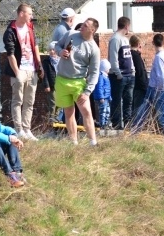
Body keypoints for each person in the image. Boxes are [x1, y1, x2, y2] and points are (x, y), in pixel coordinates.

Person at [54, 17, 100, 146]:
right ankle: (73, 142)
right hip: (62, 79)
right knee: (68, 112)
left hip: (78, 82)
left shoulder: (94, 49)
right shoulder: (70, 34)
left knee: (86, 111)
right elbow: (57, 45)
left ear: (92, 30)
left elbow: (94, 72)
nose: (82, 27)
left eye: (85, 26)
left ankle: (93, 142)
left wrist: (87, 91)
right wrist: (60, 51)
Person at [3, 3, 44, 140]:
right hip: (20, 70)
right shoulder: (11, 31)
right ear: (21, 14)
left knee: (30, 101)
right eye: (29, 13)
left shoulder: (30, 28)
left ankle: (27, 130)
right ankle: (19, 129)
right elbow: (10, 54)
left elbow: (35, 46)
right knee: (17, 100)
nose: (32, 16)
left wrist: (39, 65)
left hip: (32, 69)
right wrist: (17, 72)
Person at [131, 33, 164, 137]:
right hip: (159, 88)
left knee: (160, 114)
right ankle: (135, 131)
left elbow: (161, 77)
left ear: (153, 43)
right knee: (146, 111)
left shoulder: (159, 57)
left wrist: (158, 90)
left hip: (157, 89)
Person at [107, 16, 135, 130]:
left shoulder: (125, 39)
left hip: (129, 75)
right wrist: (118, 74)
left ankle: (128, 124)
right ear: (127, 26)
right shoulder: (115, 39)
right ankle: (117, 125)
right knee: (117, 101)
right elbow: (113, 59)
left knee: (128, 101)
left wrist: (133, 70)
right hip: (119, 76)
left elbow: (128, 56)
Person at [129, 35, 148, 118]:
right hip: (139, 87)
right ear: (138, 44)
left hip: (133, 85)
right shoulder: (136, 56)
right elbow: (140, 72)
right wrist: (145, 87)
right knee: (138, 109)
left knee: (134, 107)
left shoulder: (129, 54)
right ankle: (137, 127)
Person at [41, 42, 59, 125]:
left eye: (53, 49)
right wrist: (46, 85)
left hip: (60, 84)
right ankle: (52, 119)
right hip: (52, 85)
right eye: (50, 50)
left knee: (60, 102)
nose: (52, 51)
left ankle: (57, 117)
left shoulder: (61, 60)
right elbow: (45, 75)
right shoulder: (46, 62)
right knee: (53, 102)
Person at [93, 59, 112, 129]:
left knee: (107, 111)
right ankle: (102, 124)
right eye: (108, 69)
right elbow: (99, 87)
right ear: (105, 68)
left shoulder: (106, 76)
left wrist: (109, 97)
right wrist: (101, 97)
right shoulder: (101, 76)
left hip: (106, 97)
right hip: (103, 98)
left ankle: (106, 123)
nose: (109, 70)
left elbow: (108, 88)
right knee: (103, 111)